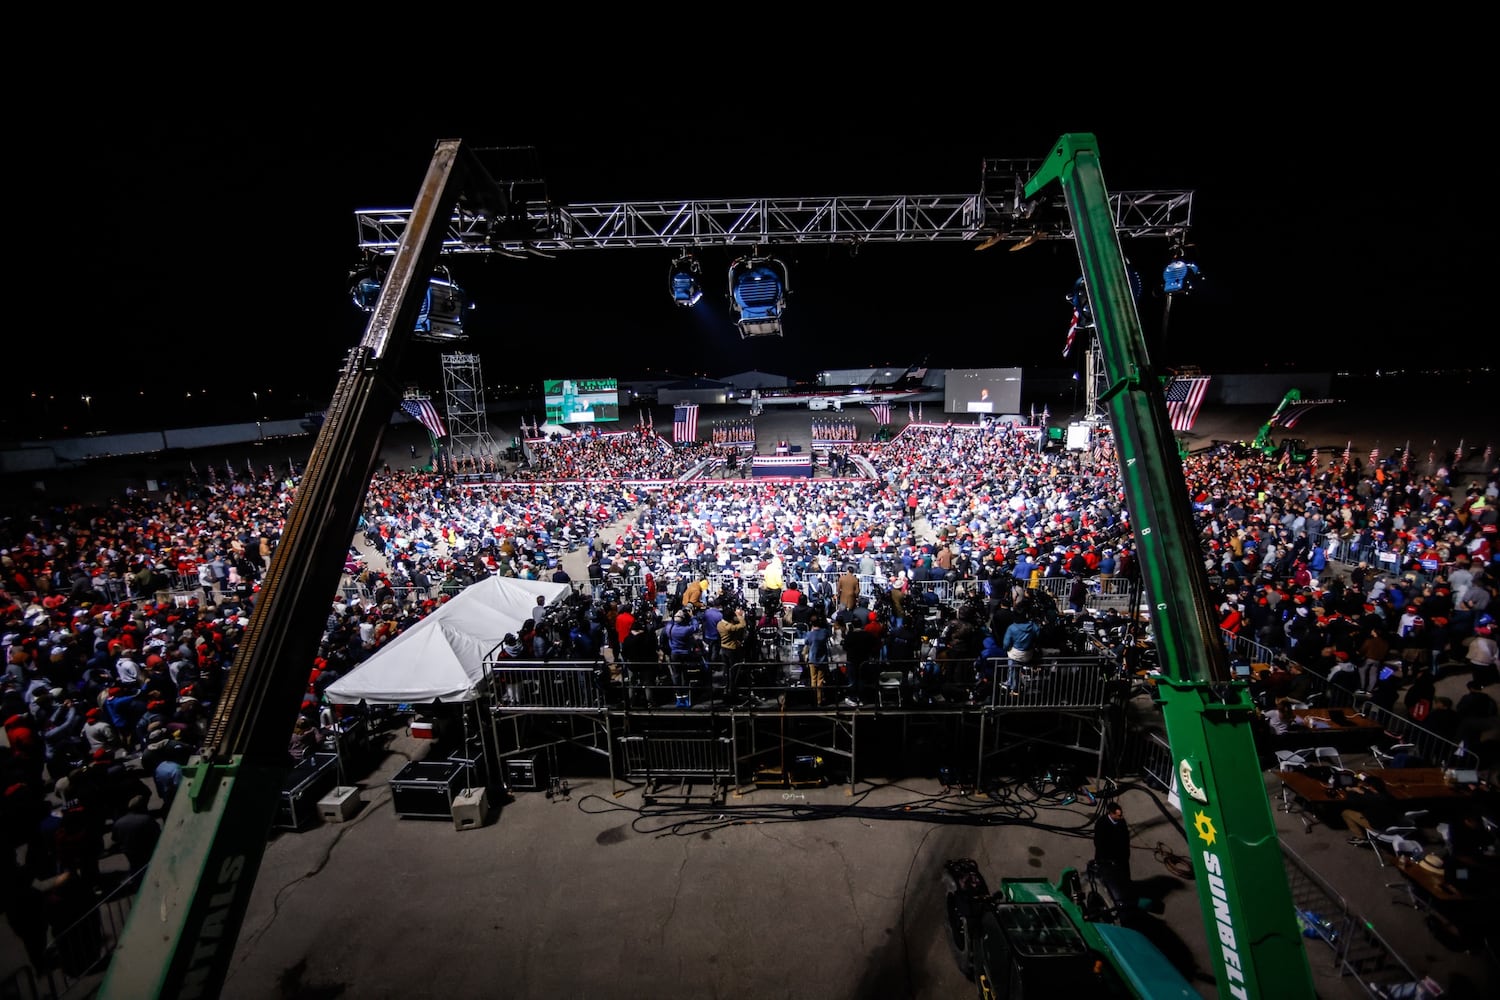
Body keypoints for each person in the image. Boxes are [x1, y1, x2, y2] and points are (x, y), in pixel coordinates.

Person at [1093, 801, 1133, 911]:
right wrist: (1107, 859)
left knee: (1124, 878)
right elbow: (1099, 843)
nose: (1121, 817)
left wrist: (1126, 854)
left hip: (1121, 858)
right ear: (1111, 814)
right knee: (1109, 881)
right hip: (1107, 860)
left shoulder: (1121, 822)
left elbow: (1126, 838)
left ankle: (1126, 893)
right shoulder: (1101, 823)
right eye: (1118, 815)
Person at [716, 604, 749, 703]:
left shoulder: (719, 624)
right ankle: (732, 690)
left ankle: (727, 688)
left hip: (723, 648)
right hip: (731, 650)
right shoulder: (729, 627)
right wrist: (739, 615)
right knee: (733, 671)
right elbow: (742, 625)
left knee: (726, 670)